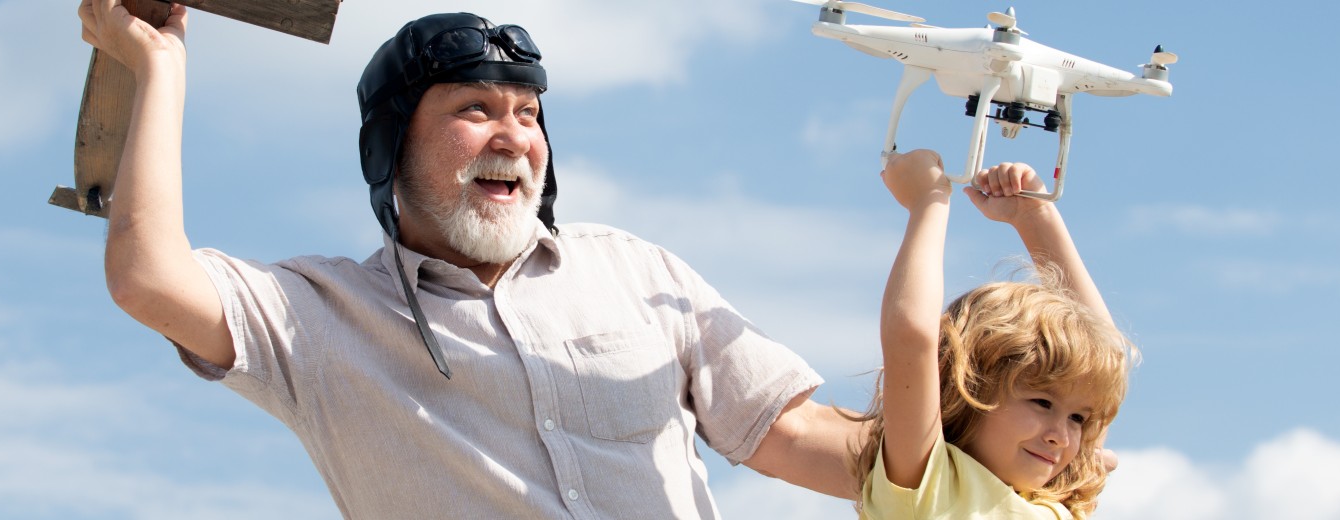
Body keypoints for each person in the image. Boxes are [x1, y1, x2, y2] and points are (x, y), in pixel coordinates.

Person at [77, 2, 863, 518]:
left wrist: (977, 444)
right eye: (474, 109)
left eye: (527, 113)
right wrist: (160, 64)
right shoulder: (317, 318)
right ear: (389, 147)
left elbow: (799, 437)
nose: (514, 135)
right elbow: (148, 275)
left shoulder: (638, 274)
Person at [852, 150, 1136, 519]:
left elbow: (1105, 358)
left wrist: (1035, 217)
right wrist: (928, 202)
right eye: (1042, 403)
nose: (1060, 436)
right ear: (968, 386)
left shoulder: (1056, 500)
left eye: (1077, 419)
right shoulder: (929, 484)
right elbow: (911, 337)